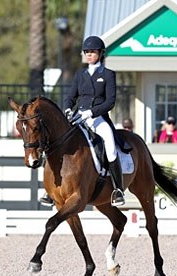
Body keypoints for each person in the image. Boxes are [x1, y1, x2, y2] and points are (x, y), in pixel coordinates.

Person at [41, 35, 125, 207]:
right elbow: (71, 97)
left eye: (92, 52)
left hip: (98, 118)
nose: (89, 54)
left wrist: (92, 112)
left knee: (110, 146)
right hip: (79, 117)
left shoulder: (108, 75)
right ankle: (51, 190)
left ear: (101, 53)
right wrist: (67, 109)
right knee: (57, 143)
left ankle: (118, 189)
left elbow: (110, 102)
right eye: (86, 51)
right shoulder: (81, 74)